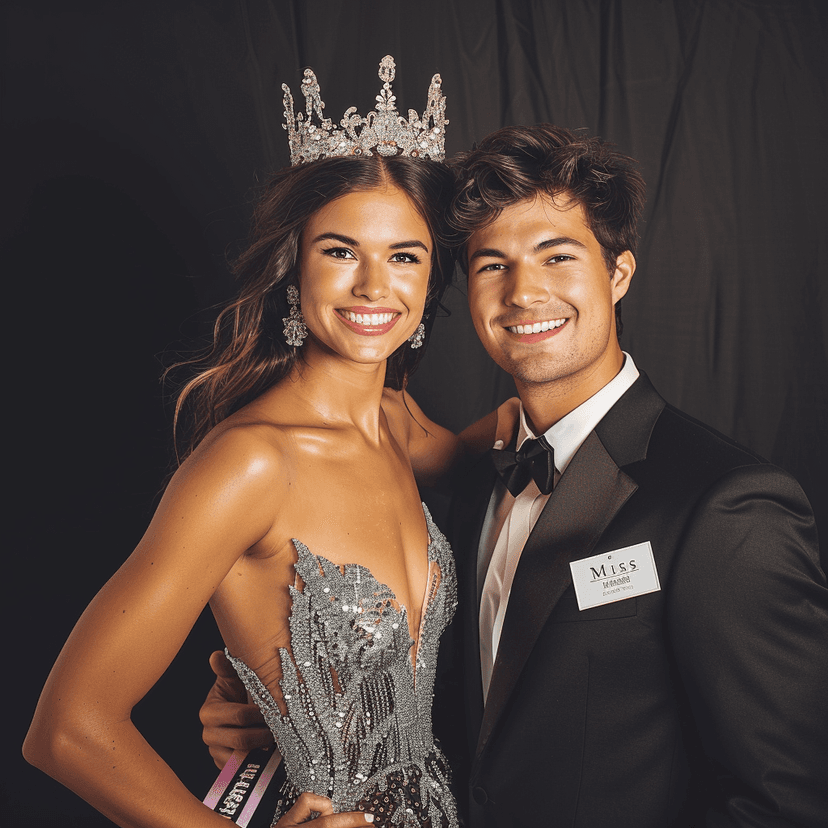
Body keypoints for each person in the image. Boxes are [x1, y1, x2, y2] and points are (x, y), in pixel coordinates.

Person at [202, 123, 828, 827]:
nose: (524, 293)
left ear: (618, 273)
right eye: (493, 265)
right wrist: (274, 713)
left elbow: (784, 802)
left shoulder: (727, 507)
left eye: (557, 257)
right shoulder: (464, 477)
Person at [23, 57, 516, 828]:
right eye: (341, 250)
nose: (372, 288)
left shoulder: (396, 421)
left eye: (404, 256)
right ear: (296, 267)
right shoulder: (248, 463)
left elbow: (496, 450)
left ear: (428, 283)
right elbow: (67, 730)